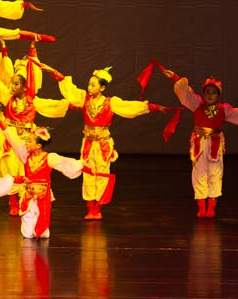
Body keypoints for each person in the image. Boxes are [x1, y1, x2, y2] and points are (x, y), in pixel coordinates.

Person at [49, 66, 169, 221]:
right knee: (88, 173)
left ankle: (98, 208)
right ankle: (90, 208)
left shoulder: (111, 102)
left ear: (102, 88)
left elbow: (130, 107)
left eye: (93, 85)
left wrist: (153, 107)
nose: (89, 87)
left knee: (102, 174)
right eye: (89, 84)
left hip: (103, 144)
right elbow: (70, 90)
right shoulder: (84, 99)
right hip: (89, 143)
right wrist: (53, 72)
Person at [162, 68, 238, 218]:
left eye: (213, 92)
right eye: (207, 92)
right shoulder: (197, 104)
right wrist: (175, 77)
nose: (210, 95)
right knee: (199, 172)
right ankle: (201, 206)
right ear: (203, 93)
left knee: (215, 172)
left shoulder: (223, 109)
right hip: (199, 142)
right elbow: (186, 94)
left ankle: (211, 206)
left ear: (218, 95)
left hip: (215, 143)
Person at [0, 43, 70, 216]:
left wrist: (71, 104)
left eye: (16, 84)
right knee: (10, 169)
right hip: (11, 140)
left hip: (27, 141)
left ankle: (25, 201)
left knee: (26, 171)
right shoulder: (8, 98)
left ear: (24, 87)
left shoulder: (33, 102)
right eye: (11, 83)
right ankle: (12, 203)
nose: (11, 86)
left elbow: (53, 106)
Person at [3, 126, 83, 239]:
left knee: (43, 231)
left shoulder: (49, 158)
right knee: (27, 228)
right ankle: (30, 231)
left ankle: (40, 230)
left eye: (29, 141)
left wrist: (83, 166)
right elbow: (14, 141)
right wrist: (1, 124)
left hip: (43, 195)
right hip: (29, 194)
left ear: (38, 145)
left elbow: (66, 163)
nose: (26, 143)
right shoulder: (26, 156)